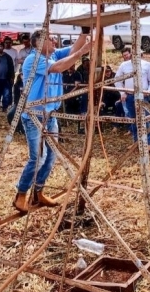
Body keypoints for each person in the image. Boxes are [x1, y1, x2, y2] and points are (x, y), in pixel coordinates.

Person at [13, 30, 91, 213]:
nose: (55, 41)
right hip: (34, 115)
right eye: (50, 38)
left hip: (50, 114)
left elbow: (73, 48)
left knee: (51, 156)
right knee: (38, 158)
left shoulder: (53, 54)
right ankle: (21, 194)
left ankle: (38, 192)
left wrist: (84, 32)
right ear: (38, 43)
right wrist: (81, 53)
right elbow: (58, 67)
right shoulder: (33, 60)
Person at [115, 46, 150, 150]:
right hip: (129, 95)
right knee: (133, 120)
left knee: (145, 119)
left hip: (143, 96)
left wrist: (149, 91)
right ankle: (136, 142)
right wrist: (122, 92)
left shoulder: (147, 65)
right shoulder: (124, 65)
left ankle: (149, 143)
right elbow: (117, 80)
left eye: (139, 54)